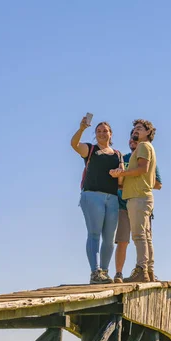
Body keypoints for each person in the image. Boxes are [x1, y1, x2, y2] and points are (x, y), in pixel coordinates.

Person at [71, 117, 122, 284]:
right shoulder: (90, 149)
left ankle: (105, 272)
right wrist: (81, 129)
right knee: (94, 234)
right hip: (92, 195)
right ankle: (95, 272)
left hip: (112, 198)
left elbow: (121, 176)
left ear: (110, 134)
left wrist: (119, 173)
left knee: (109, 237)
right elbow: (74, 145)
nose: (102, 133)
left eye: (105, 130)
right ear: (95, 134)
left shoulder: (117, 154)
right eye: (99, 131)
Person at [110, 118, 157, 283]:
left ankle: (141, 270)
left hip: (138, 196)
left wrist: (121, 174)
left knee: (139, 236)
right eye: (135, 128)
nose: (136, 130)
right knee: (145, 236)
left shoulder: (143, 146)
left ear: (148, 132)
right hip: (143, 195)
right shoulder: (147, 147)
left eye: (140, 128)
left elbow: (142, 169)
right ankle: (149, 270)